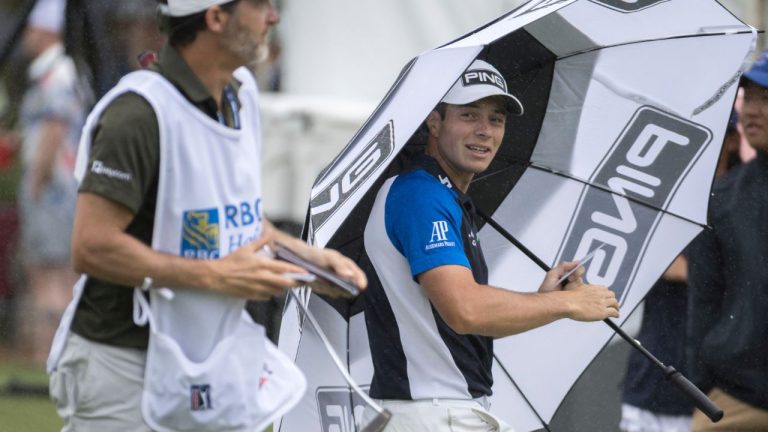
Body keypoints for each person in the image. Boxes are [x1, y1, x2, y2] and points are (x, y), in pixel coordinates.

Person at [46, 1, 367, 431]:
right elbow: (92, 247)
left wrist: (304, 258)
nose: (272, 18)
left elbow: (239, 221)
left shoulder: (242, 96)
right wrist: (216, 276)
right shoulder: (137, 113)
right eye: (259, 6)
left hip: (206, 360)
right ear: (215, 18)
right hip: (122, 362)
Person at [361, 59, 620, 431]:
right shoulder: (420, 195)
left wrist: (543, 297)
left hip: (438, 411)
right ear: (434, 122)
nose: (485, 131)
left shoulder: (440, 196)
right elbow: (465, 310)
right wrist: (566, 302)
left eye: (496, 119)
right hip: (432, 414)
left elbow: (462, 323)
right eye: (469, 115)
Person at [619, 111, 743, 432]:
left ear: (733, 140)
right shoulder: (664, 196)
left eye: (719, 133)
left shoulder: (747, 199)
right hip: (654, 381)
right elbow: (657, 261)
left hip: (726, 394)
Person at [686, 51, 768, 431]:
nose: (751, 110)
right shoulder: (723, 197)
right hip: (735, 398)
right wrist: (701, 380)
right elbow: (704, 297)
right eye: (748, 97)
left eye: (766, 99)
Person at [16, 0, 86, 366]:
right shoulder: (63, 72)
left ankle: (49, 357)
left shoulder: (55, 75)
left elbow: (54, 130)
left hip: (53, 194)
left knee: (49, 277)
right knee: (63, 277)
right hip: (63, 194)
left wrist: (36, 181)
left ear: (44, 31)